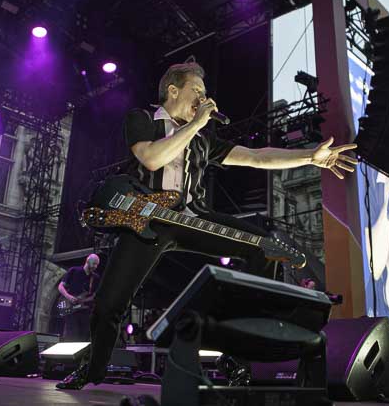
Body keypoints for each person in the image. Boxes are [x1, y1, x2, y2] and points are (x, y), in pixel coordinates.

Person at [56, 61, 358, 389]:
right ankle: (93, 369)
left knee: (262, 246)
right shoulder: (143, 119)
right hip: (146, 221)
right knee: (108, 303)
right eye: (196, 91)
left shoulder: (202, 139)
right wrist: (197, 123)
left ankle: (239, 353)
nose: (203, 98)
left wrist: (310, 156)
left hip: (192, 218)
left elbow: (257, 157)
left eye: (204, 93)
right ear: (173, 90)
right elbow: (152, 158)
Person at [57, 253, 100, 342]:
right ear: (87, 261)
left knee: (84, 338)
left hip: (85, 311)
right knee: (71, 336)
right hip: (71, 310)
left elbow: (95, 295)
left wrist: (89, 299)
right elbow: (61, 287)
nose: (95, 266)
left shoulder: (95, 278)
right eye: (94, 263)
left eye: (97, 264)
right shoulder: (74, 271)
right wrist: (68, 297)